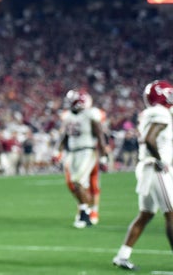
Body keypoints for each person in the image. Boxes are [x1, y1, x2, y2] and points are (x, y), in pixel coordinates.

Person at [113, 80, 173, 270]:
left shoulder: (150, 113)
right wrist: (160, 160)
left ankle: (122, 256)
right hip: (155, 168)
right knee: (171, 214)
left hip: (146, 167)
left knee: (145, 215)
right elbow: (150, 139)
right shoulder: (162, 113)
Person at [53, 88, 109, 229]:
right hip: (72, 152)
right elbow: (65, 135)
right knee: (73, 183)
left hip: (87, 151)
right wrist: (57, 150)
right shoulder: (68, 116)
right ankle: (86, 211)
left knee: (78, 181)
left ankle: (86, 213)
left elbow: (99, 135)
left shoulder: (90, 114)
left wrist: (103, 156)